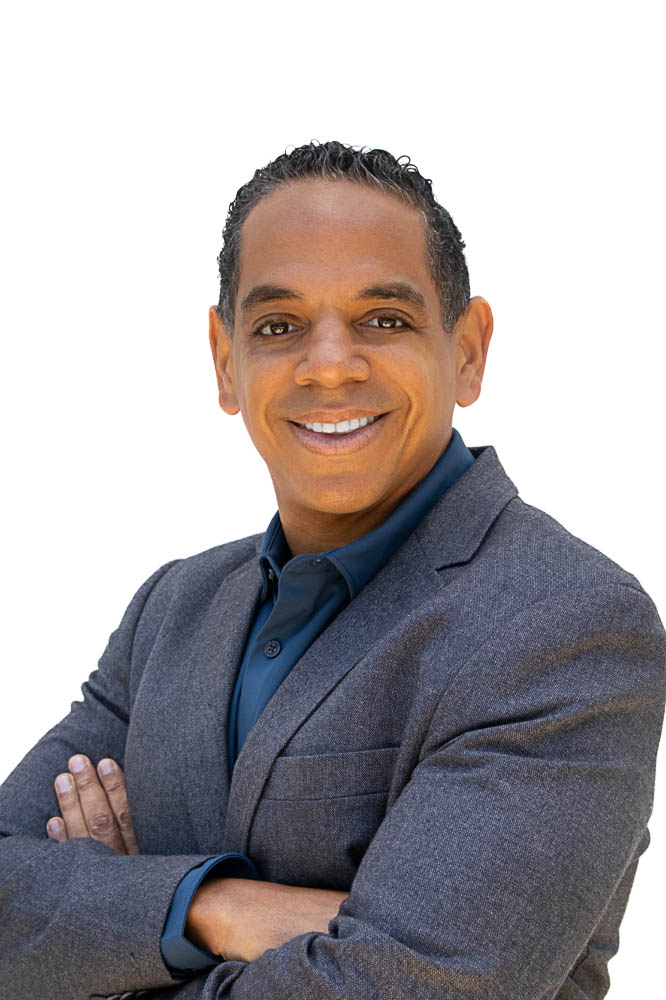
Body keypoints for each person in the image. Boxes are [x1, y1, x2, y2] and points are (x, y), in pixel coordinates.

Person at [1, 140, 664, 1000]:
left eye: (383, 319)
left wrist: (102, 949)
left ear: (468, 351)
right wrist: (211, 906)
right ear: (226, 361)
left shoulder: (565, 623)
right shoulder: (172, 611)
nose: (329, 365)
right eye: (279, 326)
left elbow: (418, 989)